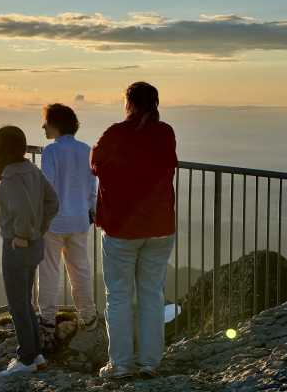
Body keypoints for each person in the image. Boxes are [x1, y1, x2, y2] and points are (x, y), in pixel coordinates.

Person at [91, 82, 177, 379]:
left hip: (121, 229)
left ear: (128, 102)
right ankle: (150, 362)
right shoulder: (165, 133)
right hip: (160, 227)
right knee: (151, 293)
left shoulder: (116, 133)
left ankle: (121, 364)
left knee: (119, 296)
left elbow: (96, 163)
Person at [0, 125, 59, 376]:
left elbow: (21, 209)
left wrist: (23, 235)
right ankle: (37, 354)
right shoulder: (32, 168)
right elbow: (53, 201)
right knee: (25, 301)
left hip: (17, 246)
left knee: (17, 304)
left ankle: (26, 358)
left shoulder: (11, 176)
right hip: (34, 246)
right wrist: (39, 231)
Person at [37, 103, 98, 350]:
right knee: (80, 269)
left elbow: (47, 187)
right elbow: (92, 186)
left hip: (54, 221)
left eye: (46, 122)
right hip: (80, 219)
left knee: (49, 271)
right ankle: (89, 317)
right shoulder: (86, 150)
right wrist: (91, 210)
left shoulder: (51, 152)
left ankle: (48, 324)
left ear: (56, 124)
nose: (43, 126)